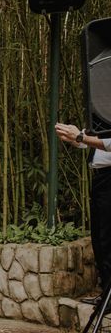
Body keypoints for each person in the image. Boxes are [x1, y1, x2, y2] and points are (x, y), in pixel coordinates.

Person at [55, 123, 111, 304]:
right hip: (100, 177)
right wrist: (77, 139)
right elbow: (97, 141)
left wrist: (81, 137)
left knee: (106, 237)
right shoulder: (104, 111)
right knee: (99, 239)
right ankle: (107, 294)